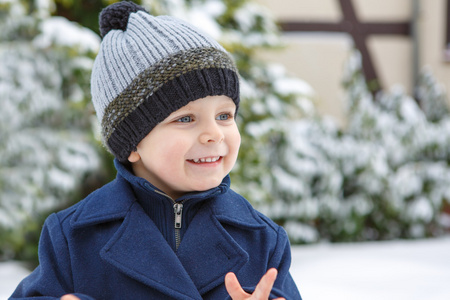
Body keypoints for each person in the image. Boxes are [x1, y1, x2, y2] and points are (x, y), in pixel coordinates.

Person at [10, 1, 301, 299]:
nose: (214, 134)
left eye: (224, 116)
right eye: (185, 119)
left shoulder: (262, 239)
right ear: (132, 142)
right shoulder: (74, 236)